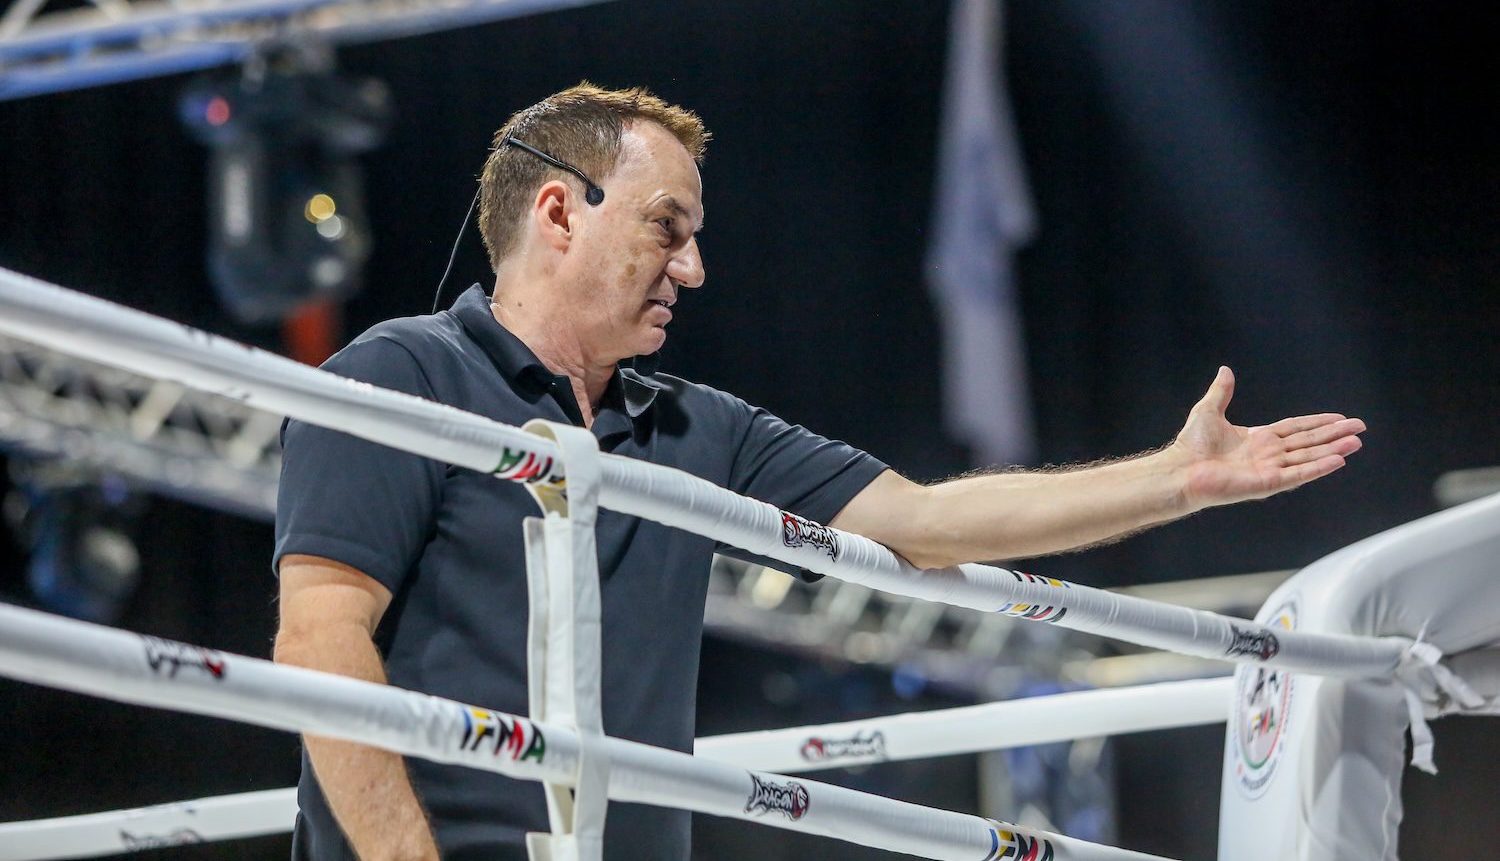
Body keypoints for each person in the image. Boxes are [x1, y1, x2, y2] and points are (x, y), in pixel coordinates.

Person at [272, 83, 1365, 861]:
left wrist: (1176, 478)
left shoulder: (693, 427)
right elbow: (320, 637)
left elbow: (928, 519)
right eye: (666, 226)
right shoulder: (403, 371)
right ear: (560, 211)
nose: (693, 268)